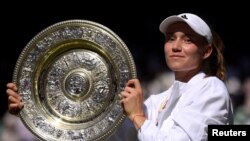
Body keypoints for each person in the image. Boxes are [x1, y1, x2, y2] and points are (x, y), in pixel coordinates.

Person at [7, 13, 233, 141]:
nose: (175, 46)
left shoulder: (211, 88)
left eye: (188, 40)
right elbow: (105, 132)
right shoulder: (160, 99)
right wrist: (34, 110)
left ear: (206, 51)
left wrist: (136, 116)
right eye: (171, 38)